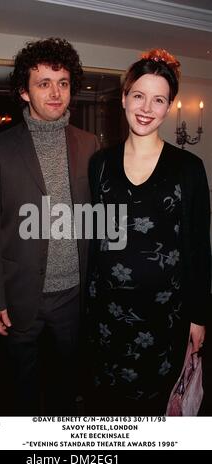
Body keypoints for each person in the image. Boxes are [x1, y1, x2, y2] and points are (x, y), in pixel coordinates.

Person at [0, 37, 99, 415]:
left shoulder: (89, 143)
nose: (55, 92)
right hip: (19, 298)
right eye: (44, 83)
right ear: (24, 92)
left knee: (65, 389)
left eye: (62, 82)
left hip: (73, 297)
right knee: (19, 394)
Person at [87, 48, 211, 416]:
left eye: (159, 99)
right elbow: (96, 238)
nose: (146, 107)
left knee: (155, 406)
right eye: (139, 95)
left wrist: (199, 316)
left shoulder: (189, 167)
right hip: (105, 314)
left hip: (164, 317)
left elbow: (198, 249)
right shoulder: (100, 164)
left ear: (170, 106)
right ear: (124, 97)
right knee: (109, 406)